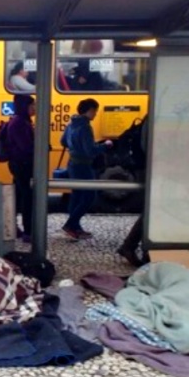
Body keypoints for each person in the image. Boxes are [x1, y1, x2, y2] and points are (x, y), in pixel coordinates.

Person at [61, 98, 112, 239]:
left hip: (72, 164)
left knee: (76, 196)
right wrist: (105, 145)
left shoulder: (71, 123)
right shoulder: (85, 127)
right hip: (83, 165)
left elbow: (63, 141)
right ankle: (71, 224)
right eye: (95, 111)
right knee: (89, 196)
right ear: (89, 110)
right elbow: (90, 151)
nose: (95, 114)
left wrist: (75, 146)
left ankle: (76, 228)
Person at [117, 114, 149, 266]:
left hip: (146, 167)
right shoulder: (154, 120)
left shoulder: (150, 119)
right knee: (152, 211)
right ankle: (130, 246)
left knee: (152, 210)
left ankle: (130, 246)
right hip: (149, 168)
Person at [6, 94, 36, 243]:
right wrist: (40, 145)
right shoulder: (20, 123)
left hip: (19, 164)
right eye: (32, 105)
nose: (35, 108)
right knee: (27, 198)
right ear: (25, 107)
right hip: (22, 165)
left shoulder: (21, 121)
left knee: (18, 196)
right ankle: (28, 231)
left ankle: (12, 227)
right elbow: (26, 147)